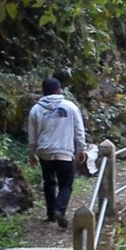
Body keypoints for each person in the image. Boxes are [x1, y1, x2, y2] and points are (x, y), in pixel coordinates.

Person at [28, 76, 86, 228]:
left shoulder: (36, 109)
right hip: (64, 150)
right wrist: (82, 149)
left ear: (43, 91)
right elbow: (79, 130)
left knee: (49, 183)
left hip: (44, 152)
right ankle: (59, 210)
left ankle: (50, 214)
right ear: (59, 90)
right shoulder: (70, 107)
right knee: (66, 185)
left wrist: (32, 153)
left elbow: (32, 135)